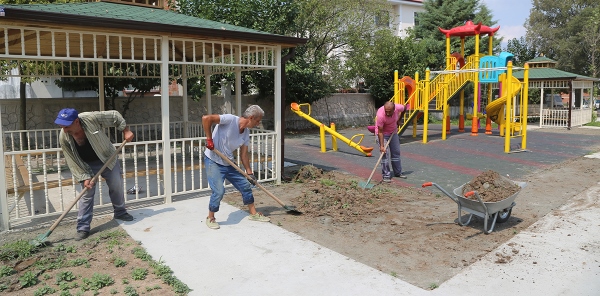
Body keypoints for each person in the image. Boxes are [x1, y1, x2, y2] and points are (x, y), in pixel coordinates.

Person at [55, 108, 135, 240]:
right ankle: (83, 227)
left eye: (67, 126)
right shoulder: (64, 137)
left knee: (116, 184)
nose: (64, 130)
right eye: (62, 126)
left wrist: (126, 130)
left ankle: (120, 212)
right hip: (86, 165)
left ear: (76, 121)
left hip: (107, 158)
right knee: (86, 194)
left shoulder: (90, 118)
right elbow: (71, 159)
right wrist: (84, 176)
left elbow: (114, 115)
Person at [202, 105, 270, 229]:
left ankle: (253, 214)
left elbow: (244, 155)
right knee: (219, 191)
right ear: (251, 117)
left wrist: (249, 173)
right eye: (257, 120)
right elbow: (206, 118)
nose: (258, 124)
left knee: (245, 185)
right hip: (214, 160)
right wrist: (209, 139)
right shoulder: (230, 119)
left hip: (229, 162)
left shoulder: (246, 133)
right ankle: (210, 217)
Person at [375, 101, 409, 182]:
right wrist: (382, 146)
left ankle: (398, 172)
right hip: (382, 134)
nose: (387, 113)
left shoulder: (398, 107)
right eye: (386, 111)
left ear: (394, 109)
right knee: (384, 154)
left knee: (396, 152)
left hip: (393, 132)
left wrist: (399, 119)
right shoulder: (380, 115)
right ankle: (386, 175)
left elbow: (404, 108)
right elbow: (380, 132)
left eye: (389, 111)